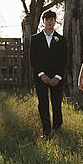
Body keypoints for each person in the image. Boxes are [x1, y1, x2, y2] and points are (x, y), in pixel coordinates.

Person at [30, 10, 66, 140]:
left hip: (56, 78)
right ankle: (46, 130)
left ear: (55, 21)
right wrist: (41, 74)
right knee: (43, 103)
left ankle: (57, 127)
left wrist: (58, 76)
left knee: (56, 102)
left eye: (52, 19)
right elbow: (33, 59)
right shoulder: (35, 39)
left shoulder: (61, 39)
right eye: (47, 19)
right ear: (43, 21)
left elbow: (64, 60)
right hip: (41, 77)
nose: (49, 22)